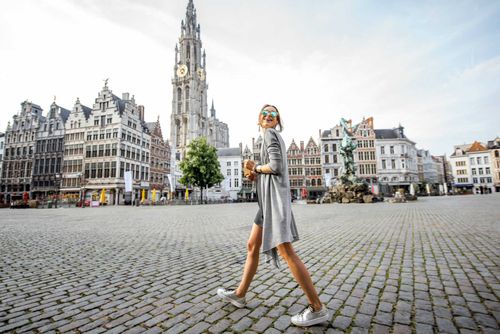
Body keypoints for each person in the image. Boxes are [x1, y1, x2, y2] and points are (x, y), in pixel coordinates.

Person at [217, 104, 330, 327]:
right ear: (258, 119)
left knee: (286, 251)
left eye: (273, 114)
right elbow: (269, 171)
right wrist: (254, 174)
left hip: (274, 203)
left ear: (277, 121)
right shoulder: (269, 137)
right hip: (266, 204)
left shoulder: (270, 134)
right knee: (252, 245)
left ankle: (317, 308)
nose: (269, 116)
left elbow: (276, 166)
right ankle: (240, 294)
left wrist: (256, 167)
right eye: (265, 114)